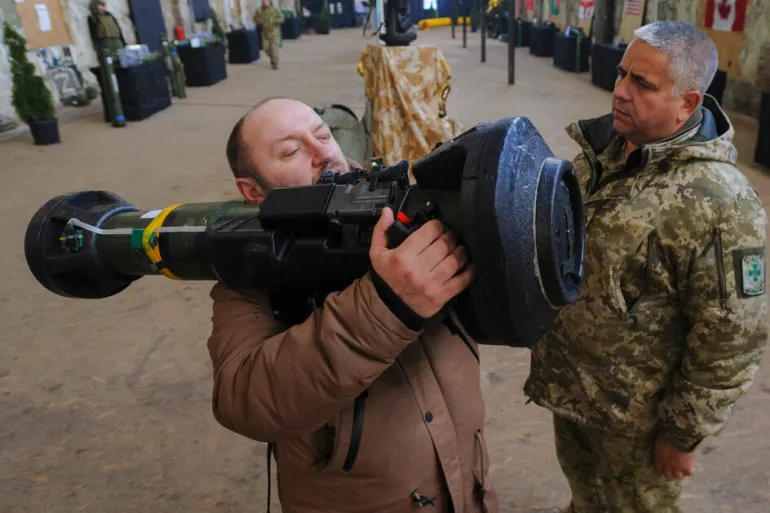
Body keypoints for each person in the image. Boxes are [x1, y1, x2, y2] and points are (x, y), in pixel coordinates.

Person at [207, 97, 500, 513]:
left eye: (323, 134)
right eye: (292, 150)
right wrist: (385, 307)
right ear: (252, 191)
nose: (322, 152)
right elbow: (244, 401)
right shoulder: (250, 272)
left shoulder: (402, 209)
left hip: (468, 486)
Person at [524, 21, 768, 513]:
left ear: (687, 103)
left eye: (642, 83)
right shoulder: (602, 154)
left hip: (637, 422)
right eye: (622, 74)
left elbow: (731, 338)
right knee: (587, 496)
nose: (619, 91)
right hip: (576, 390)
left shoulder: (720, 203)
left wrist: (683, 433)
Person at [254, 0, 284, 70]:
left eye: (266, 0)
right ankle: (273, 57)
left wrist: (274, 21)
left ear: (269, 1)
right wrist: (259, 21)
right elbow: (255, 18)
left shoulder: (275, 9)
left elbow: (282, 18)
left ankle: (275, 63)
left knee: (273, 48)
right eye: (263, 1)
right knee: (265, 48)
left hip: (274, 32)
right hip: (264, 32)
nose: (264, 2)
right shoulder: (259, 10)